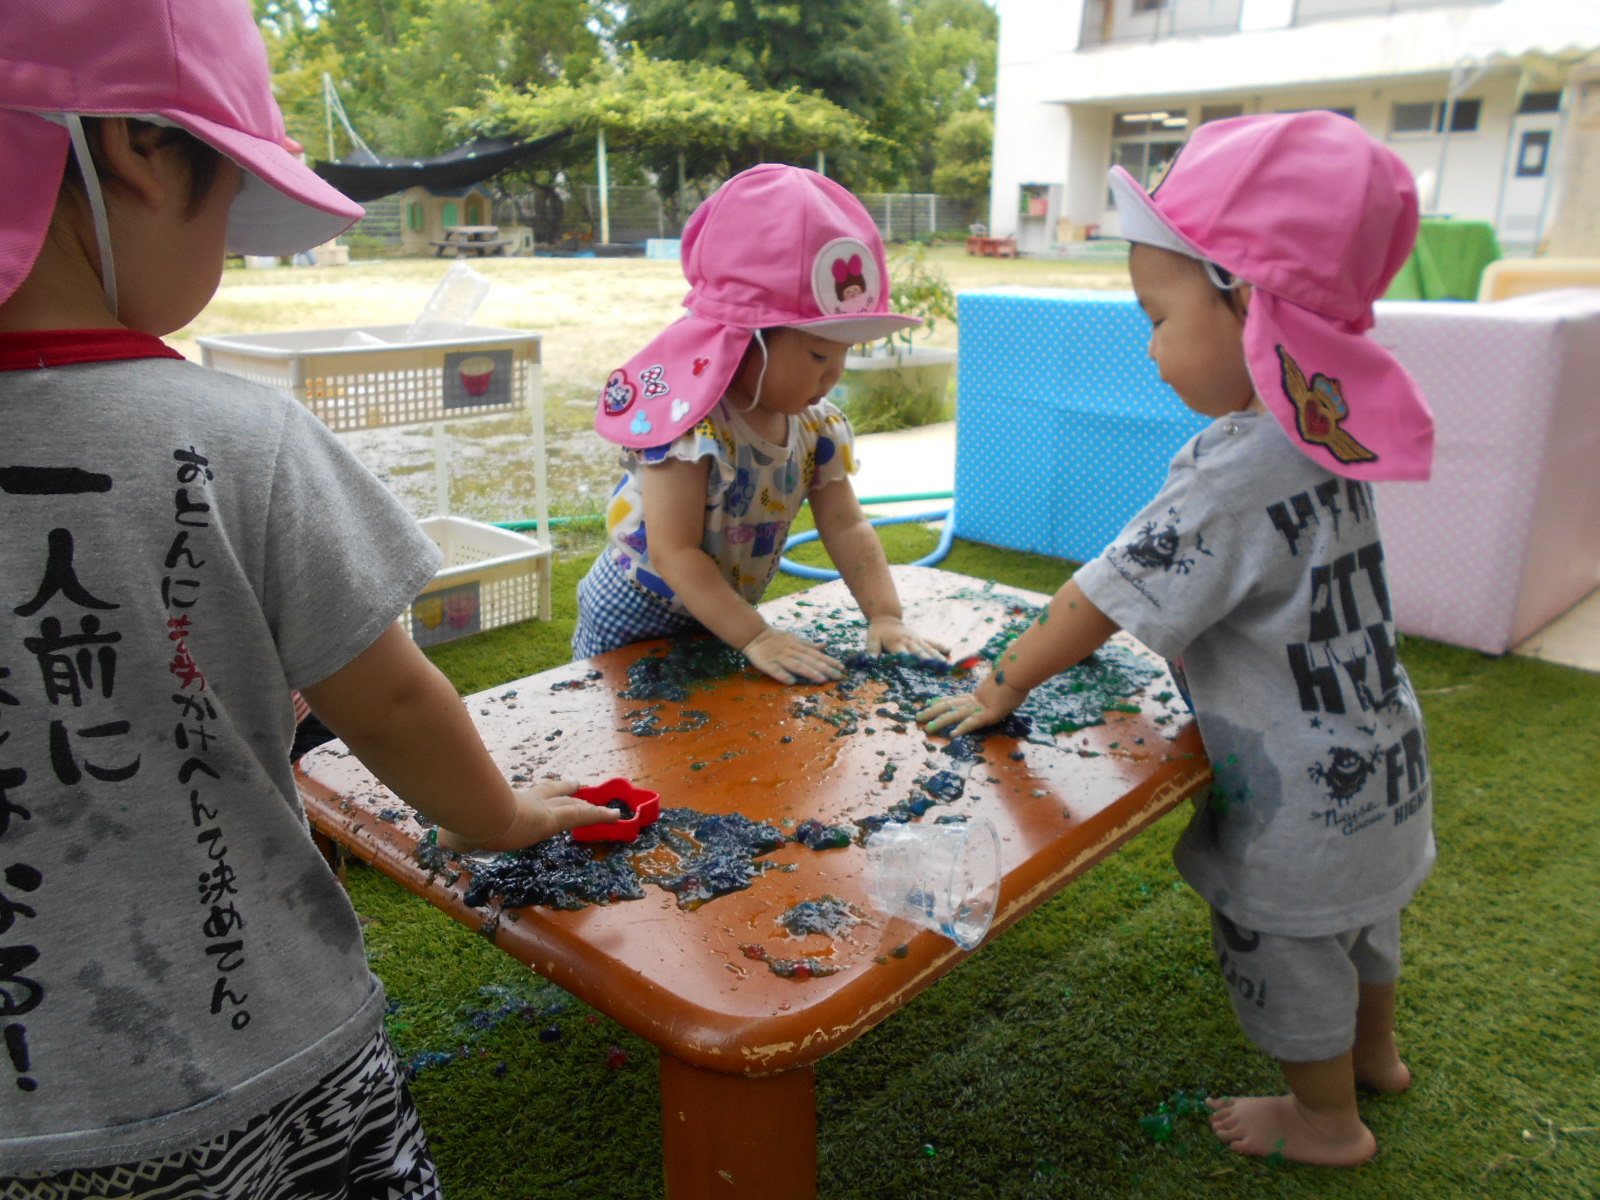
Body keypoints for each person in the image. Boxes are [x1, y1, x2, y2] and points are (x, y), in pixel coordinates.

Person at [0, 1, 616, 1194]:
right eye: (229, 194)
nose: (229, 236)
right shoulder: (241, 440)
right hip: (264, 1066)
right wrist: (496, 820)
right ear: (133, 143)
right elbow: (385, 698)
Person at [918, 112, 1436, 1167]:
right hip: (1385, 756)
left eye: (1156, 315)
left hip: (1296, 800)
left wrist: (1003, 684)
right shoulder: (1331, 430)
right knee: (1365, 923)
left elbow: (1099, 596)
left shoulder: (1231, 472)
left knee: (1288, 947)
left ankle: (1326, 1120)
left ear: (1248, 306)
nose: (1148, 349)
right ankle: (1375, 1057)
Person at [575, 164, 947, 683]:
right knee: (629, 735)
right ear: (745, 339)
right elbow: (674, 551)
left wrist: (885, 614)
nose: (834, 374)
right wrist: (755, 635)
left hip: (722, 614)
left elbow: (846, 523)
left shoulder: (818, 427)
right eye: (819, 353)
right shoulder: (693, 431)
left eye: (844, 353)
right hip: (637, 615)